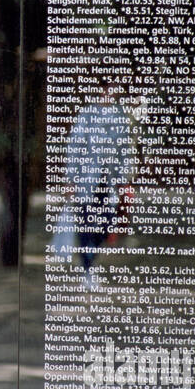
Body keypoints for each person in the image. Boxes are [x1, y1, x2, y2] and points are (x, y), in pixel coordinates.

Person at [63, 78, 135, 289]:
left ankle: (91, 262)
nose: (112, 92)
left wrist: (123, 180)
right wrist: (71, 179)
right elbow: (74, 148)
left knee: (105, 226)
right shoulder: (86, 115)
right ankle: (87, 269)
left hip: (109, 183)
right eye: (108, 88)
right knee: (85, 225)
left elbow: (124, 150)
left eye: (115, 88)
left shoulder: (120, 117)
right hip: (87, 181)